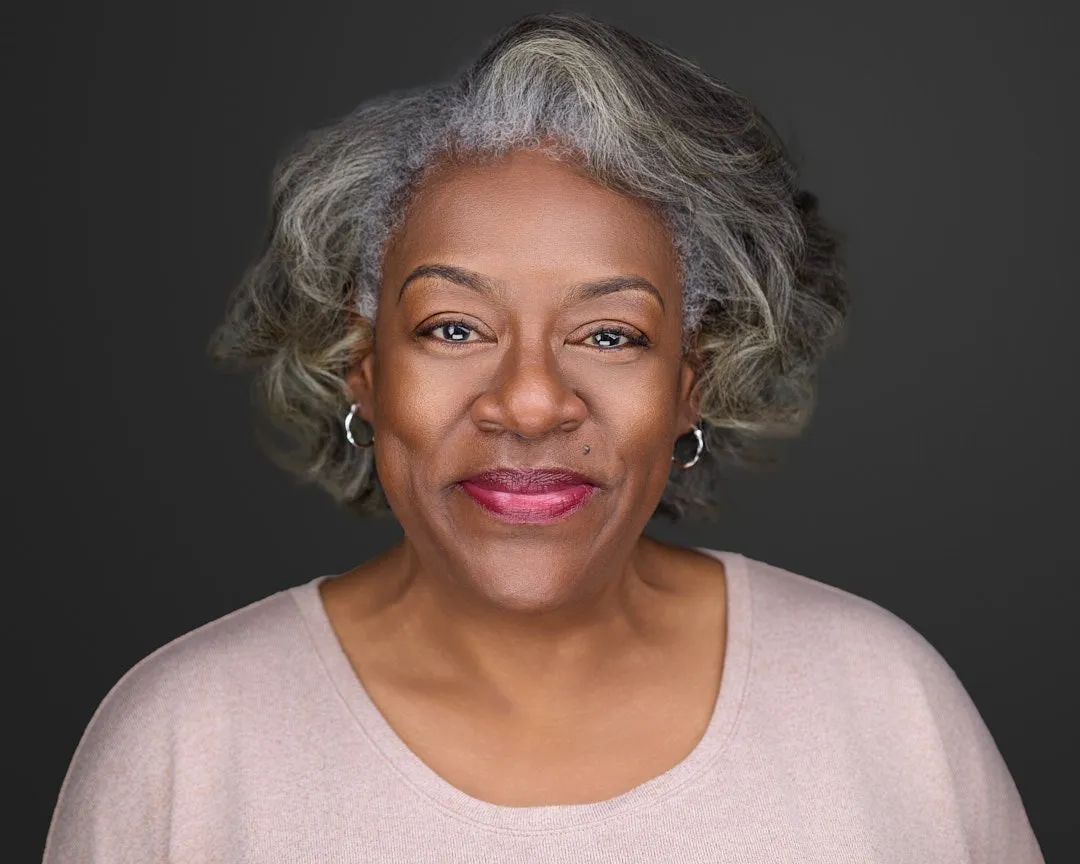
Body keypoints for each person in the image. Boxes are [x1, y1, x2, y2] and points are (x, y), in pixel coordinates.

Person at [43, 11, 1043, 863]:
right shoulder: (183, 744)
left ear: (687, 385)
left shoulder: (883, 706)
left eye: (610, 334)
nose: (530, 403)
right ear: (363, 366)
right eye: (453, 328)